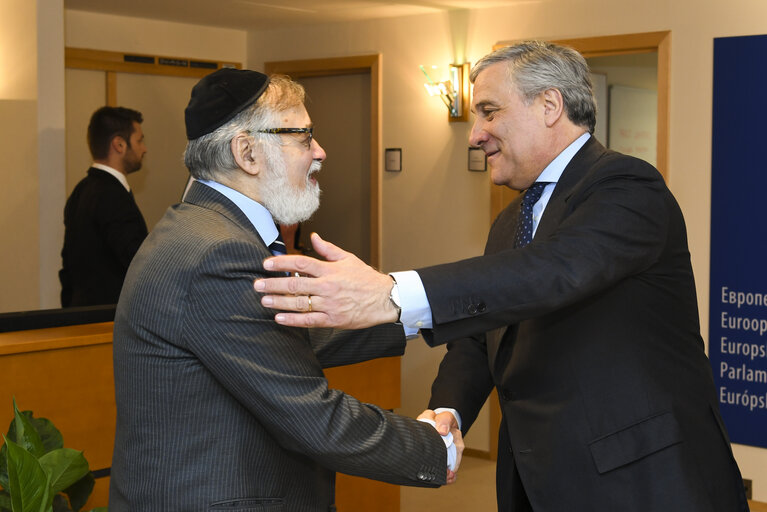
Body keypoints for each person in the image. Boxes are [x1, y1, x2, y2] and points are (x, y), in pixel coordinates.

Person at [254, 41, 749, 512]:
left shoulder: (626, 187)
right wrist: (448, 411)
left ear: (550, 105)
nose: (474, 134)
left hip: (643, 480)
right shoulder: (513, 219)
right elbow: (482, 335)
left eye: (489, 112)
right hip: (538, 478)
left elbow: (549, 274)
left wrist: (391, 293)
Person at [109, 68, 461, 511]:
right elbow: (312, 416)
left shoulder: (204, 229)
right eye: (303, 136)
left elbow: (285, 335)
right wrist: (434, 446)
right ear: (247, 152)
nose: (319, 151)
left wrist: (403, 308)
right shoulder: (218, 252)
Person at [59, 106, 148, 307]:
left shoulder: (81, 190)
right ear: (119, 144)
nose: (144, 149)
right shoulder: (113, 196)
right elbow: (137, 263)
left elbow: (68, 269)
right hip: (111, 318)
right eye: (140, 140)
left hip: (82, 314)